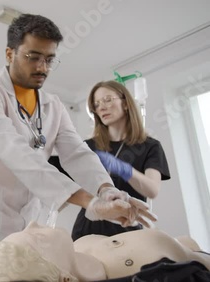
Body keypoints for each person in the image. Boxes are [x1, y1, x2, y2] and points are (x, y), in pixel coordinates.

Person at [0, 14, 156, 282]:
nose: (42, 67)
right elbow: (16, 153)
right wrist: (88, 202)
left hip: (32, 221)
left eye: (50, 59)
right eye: (33, 56)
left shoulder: (53, 105)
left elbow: (77, 153)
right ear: (9, 53)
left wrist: (106, 190)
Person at [72, 81, 171, 241]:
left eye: (108, 99)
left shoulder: (150, 146)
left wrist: (125, 169)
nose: (101, 107)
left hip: (127, 224)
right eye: (96, 104)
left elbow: (152, 190)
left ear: (125, 103)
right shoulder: (88, 146)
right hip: (88, 226)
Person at [0, 221, 210, 281]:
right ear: (65, 279)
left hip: (185, 243)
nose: (33, 222)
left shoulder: (77, 246)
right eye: (37, 237)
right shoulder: (135, 272)